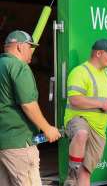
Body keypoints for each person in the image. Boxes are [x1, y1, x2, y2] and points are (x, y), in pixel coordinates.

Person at [0, 30, 61, 186]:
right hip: (19, 143)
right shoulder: (19, 67)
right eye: (30, 47)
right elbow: (28, 104)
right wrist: (47, 128)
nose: (32, 51)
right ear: (20, 47)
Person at [63, 39, 107, 186]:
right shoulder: (80, 72)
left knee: (85, 173)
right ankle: (71, 175)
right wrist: (102, 104)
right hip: (79, 118)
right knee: (81, 134)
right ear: (98, 53)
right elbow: (75, 100)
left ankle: (75, 177)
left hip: (99, 129)